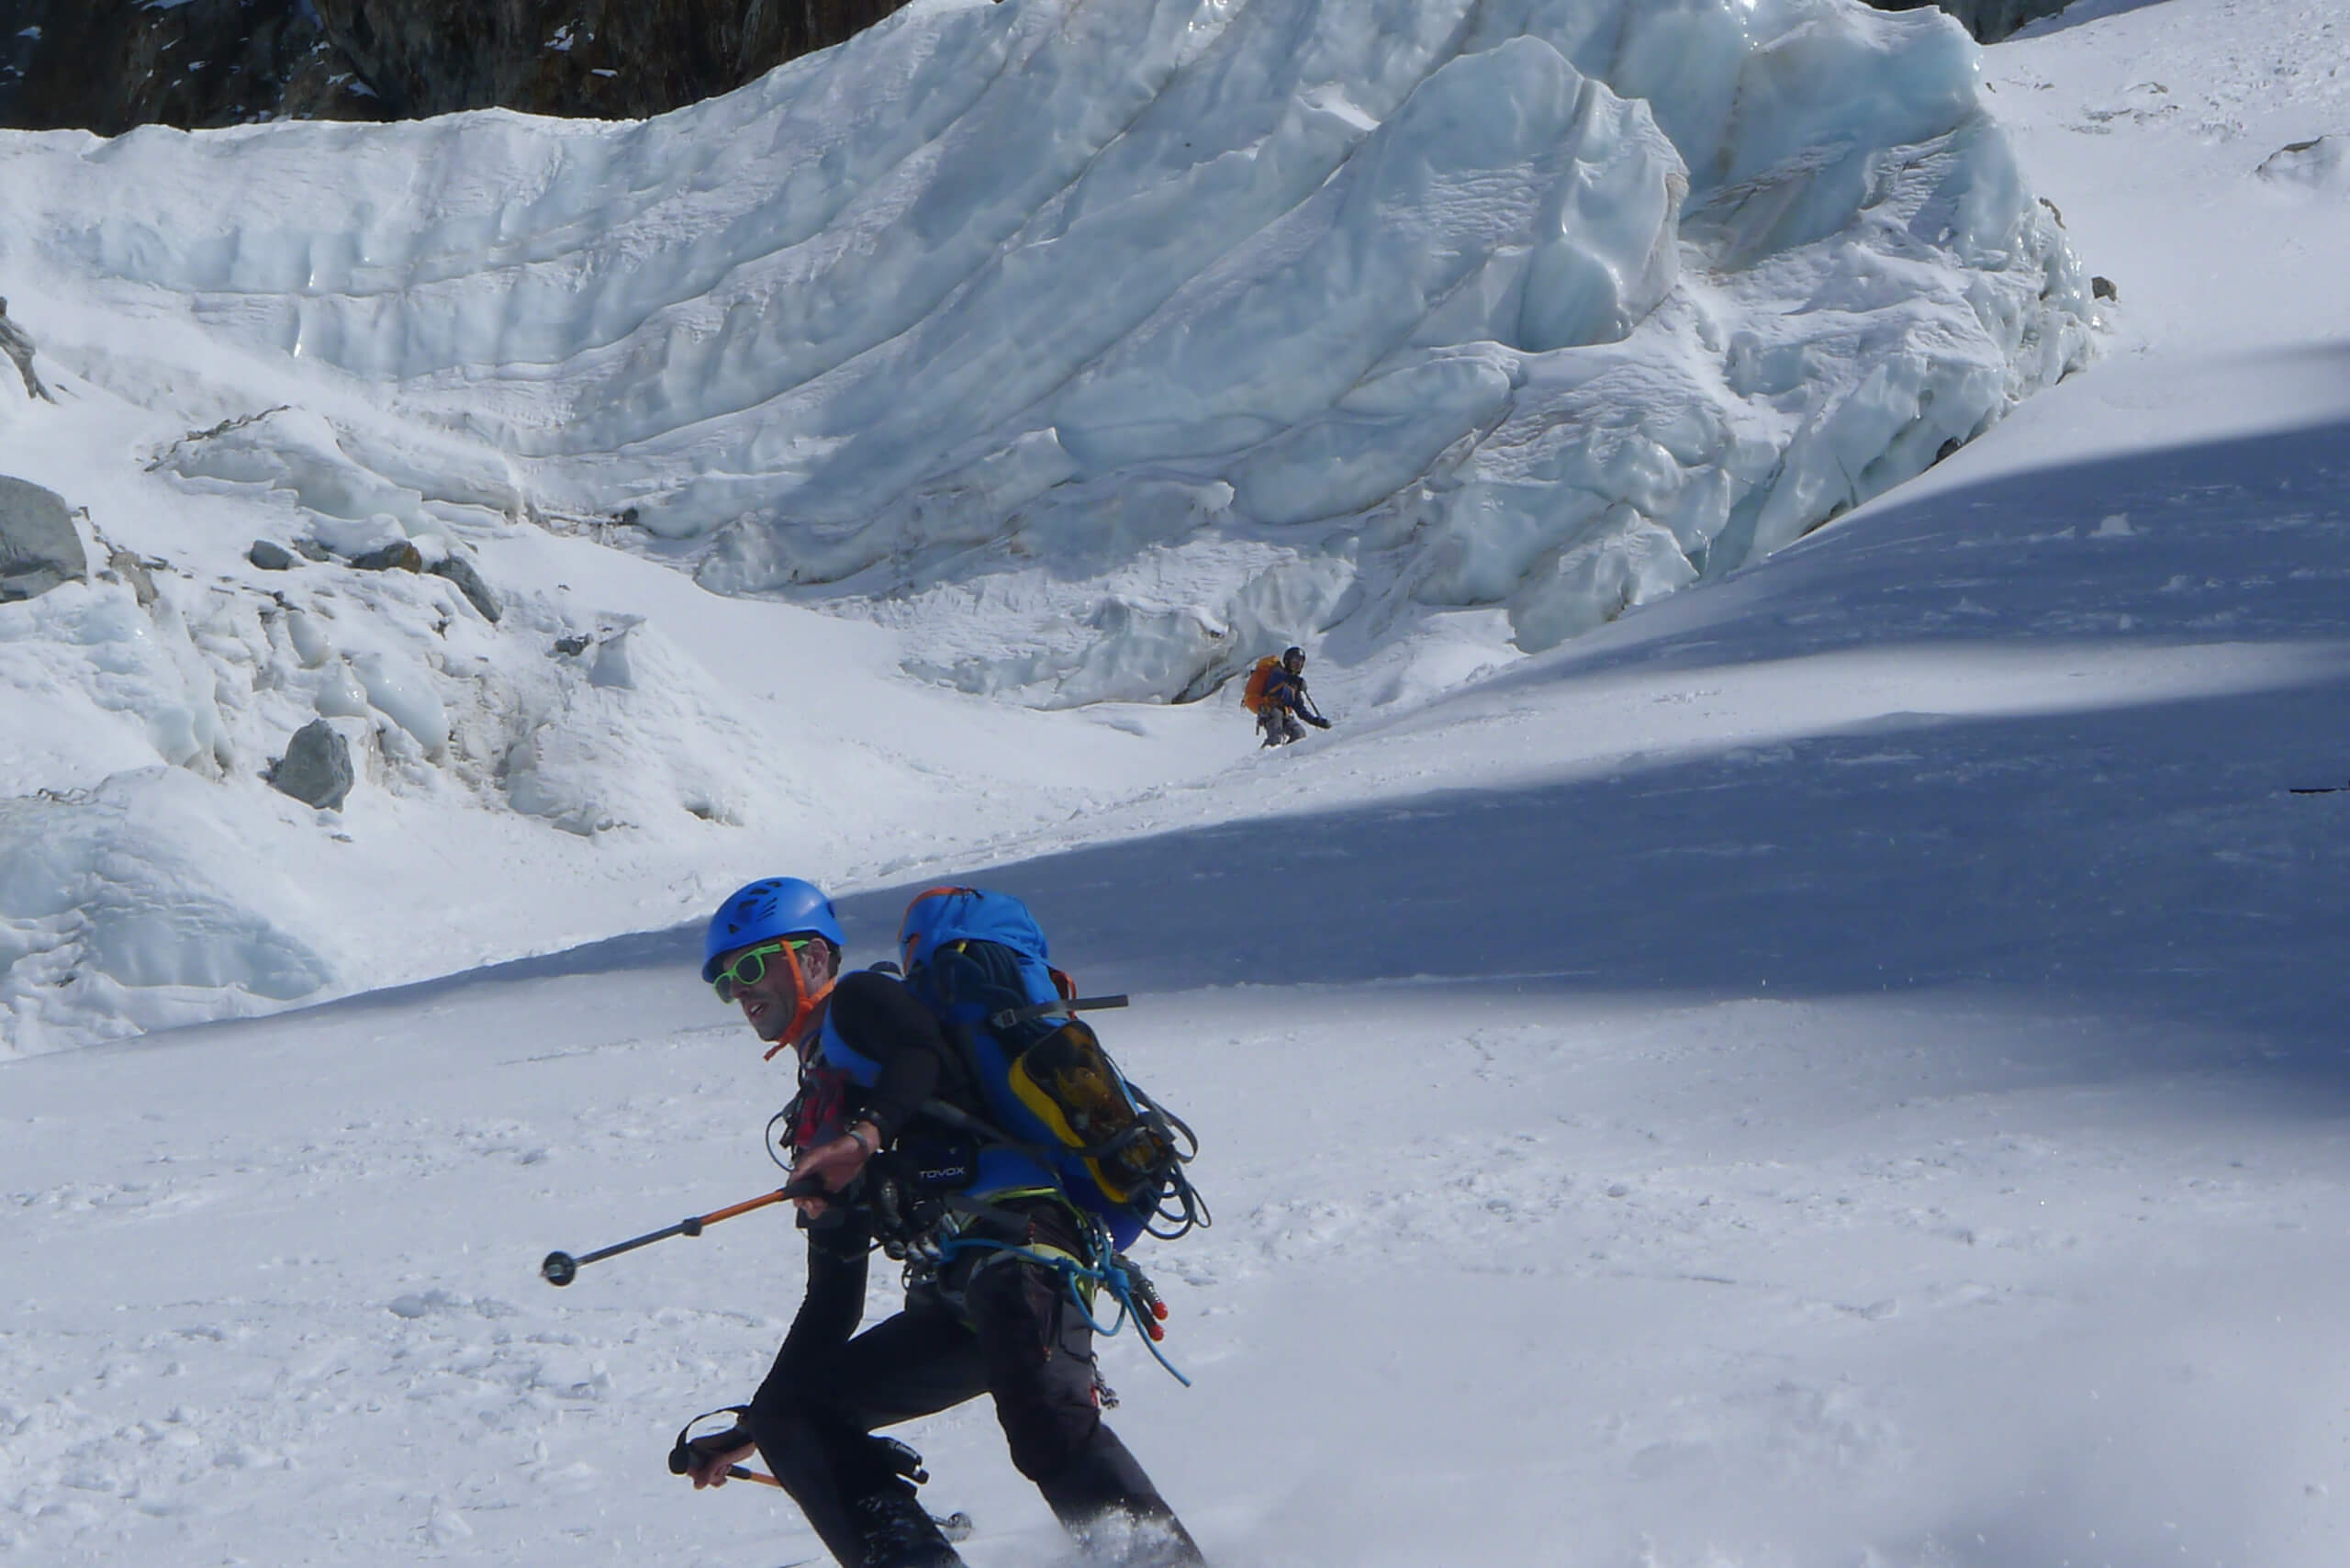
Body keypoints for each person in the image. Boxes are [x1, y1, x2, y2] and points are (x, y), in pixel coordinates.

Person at [683, 877, 1202, 1568]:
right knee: (796, 1413)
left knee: (1046, 1425)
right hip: (957, 1290)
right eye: (725, 980)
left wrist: (864, 1138)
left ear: (812, 958)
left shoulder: (863, 1004)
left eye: (751, 965)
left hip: (1024, 1241)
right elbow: (834, 1295)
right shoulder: (821, 1099)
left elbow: (919, 1050)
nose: (740, 989)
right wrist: (760, 1422)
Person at [1248, 646, 1331, 748]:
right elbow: (1282, 678)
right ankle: (1265, 758)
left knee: (1299, 734)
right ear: (1287, 661)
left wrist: (1316, 721)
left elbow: (1301, 711)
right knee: (1275, 737)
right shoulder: (1277, 672)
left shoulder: (1294, 686)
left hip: (1285, 714)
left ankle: (1286, 757)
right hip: (1270, 710)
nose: (1298, 664)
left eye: (1300, 662)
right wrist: (1297, 681)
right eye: (1295, 660)